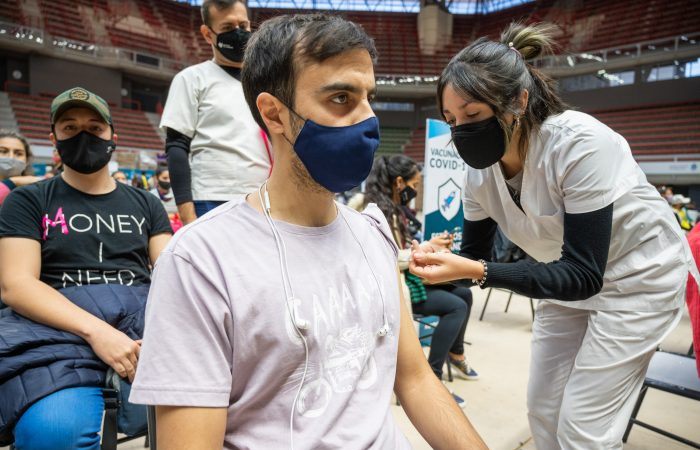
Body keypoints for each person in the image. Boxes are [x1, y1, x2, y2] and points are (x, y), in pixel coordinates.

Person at [130, 14, 487, 449]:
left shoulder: (373, 233)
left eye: (368, 97)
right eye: (341, 98)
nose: (368, 120)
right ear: (274, 114)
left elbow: (413, 379)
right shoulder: (201, 260)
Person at [409, 22, 698, 450]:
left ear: (518, 101)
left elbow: (582, 274)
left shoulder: (579, 144)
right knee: (543, 409)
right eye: (451, 120)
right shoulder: (477, 176)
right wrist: (428, 260)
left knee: (584, 428)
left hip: (639, 278)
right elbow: (472, 257)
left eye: (473, 115)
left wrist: (480, 270)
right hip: (564, 277)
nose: (461, 131)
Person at [0, 87, 172, 449]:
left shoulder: (147, 204)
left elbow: (174, 274)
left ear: (112, 137)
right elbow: (16, 285)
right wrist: (99, 333)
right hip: (55, 331)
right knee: (54, 433)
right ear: (53, 138)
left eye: (94, 128)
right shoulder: (28, 200)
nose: (83, 136)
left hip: (138, 328)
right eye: (70, 128)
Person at [363, 154, 478, 387]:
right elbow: (388, 259)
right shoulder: (376, 215)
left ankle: (456, 355)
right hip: (393, 292)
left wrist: (428, 247)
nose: (415, 191)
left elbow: (400, 251)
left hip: (407, 280)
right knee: (456, 307)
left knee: (464, 293)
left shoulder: (394, 210)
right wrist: (426, 252)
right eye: (414, 185)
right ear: (399, 183)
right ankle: (432, 378)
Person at [163, 0, 272, 224]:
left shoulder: (266, 84)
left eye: (243, 26)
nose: (238, 33)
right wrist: (187, 214)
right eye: (227, 28)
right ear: (207, 33)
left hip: (264, 198)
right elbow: (176, 147)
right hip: (211, 198)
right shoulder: (191, 78)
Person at [0, 130, 42, 205]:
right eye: (3, 151)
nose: (11, 157)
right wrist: (11, 182)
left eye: (19, 153)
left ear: (27, 160)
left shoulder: (37, 190)